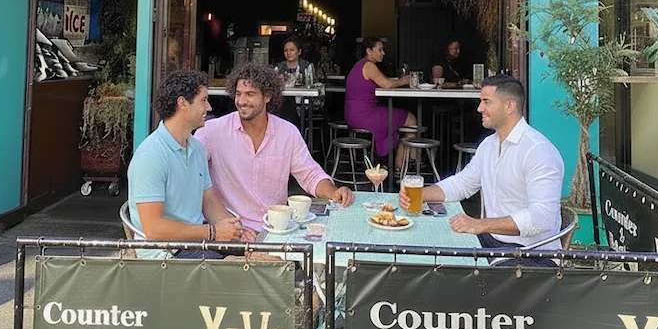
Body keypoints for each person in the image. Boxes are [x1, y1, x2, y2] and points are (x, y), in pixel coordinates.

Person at [399, 74, 563, 267]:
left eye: (486, 102)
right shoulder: (489, 145)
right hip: (495, 242)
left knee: (454, 275)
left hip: (533, 255)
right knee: (429, 252)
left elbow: (542, 218)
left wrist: (479, 224)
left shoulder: (538, 151)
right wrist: (420, 194)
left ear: (510, 106)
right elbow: (463, 184)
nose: (479, 108)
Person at [196, 63, 354, 231]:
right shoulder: (210, 132)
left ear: (267, 96)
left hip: (275, 229)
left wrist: (334, 192)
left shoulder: (287, 133)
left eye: (250, 94)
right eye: (238, 94)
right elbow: (190, 181)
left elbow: (310, 174)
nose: (242, 101)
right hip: (230, 231)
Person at [127, 69, 254, 259]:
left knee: (262, 253)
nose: (209, 107)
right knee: (248, 271)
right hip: (165, 253)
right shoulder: (150, 155)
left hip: (196, 243)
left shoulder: (196, 147)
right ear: (183, 103)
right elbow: (154, 229)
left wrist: (236, 229)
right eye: (203, 100)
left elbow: (209, 201)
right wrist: (212, 232)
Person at [344, 36, 418, 166]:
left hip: (353, 116)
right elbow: (387, 84)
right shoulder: (368, 66)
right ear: (369, 51)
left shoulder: (359, 65)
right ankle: (408, 165)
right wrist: (404, 80)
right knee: (410, 119)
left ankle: (402, 165)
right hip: (365, 116)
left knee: (400, 118)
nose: (383, 53)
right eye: (380, 49)